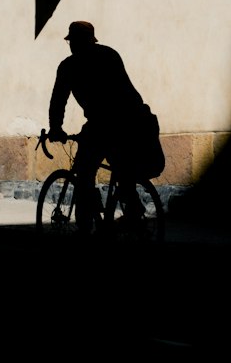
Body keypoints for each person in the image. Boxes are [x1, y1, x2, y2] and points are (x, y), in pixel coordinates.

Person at [47, 21, 161, 229]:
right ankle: (132, 210)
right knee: (122, 168)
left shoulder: (69, 67)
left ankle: (87, 224)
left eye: (73, 42)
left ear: (73, 42)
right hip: (131, 118)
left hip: (106, 122)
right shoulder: (109, 55)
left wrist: (56, 129)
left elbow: (58, 101)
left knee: (84, 173)